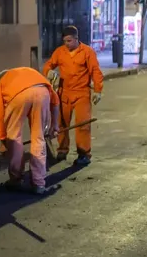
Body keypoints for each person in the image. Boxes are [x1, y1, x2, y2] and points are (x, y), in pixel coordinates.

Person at [42, 26, 103, 165]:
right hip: (64, 93)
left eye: (69, 41)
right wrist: (48, 72)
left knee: (83, 125)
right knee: (61, 124)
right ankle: (62, 150)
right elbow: (48, 65)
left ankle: (84, 154)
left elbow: (95, 71)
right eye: (64, 41)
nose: (66, 44)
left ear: (76, 39)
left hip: (82, 93)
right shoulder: (60, 52)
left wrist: (98, 90)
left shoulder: (87, 52)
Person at [0, 67, 60, 194]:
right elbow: (55, 101)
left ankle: (16, 179)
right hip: (42, 91)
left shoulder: (2, 84)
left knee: (14, 137)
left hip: (19, 96)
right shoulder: (29, 71)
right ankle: (39, 183)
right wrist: (55, 125)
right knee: (38, 137)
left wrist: (3, 140)